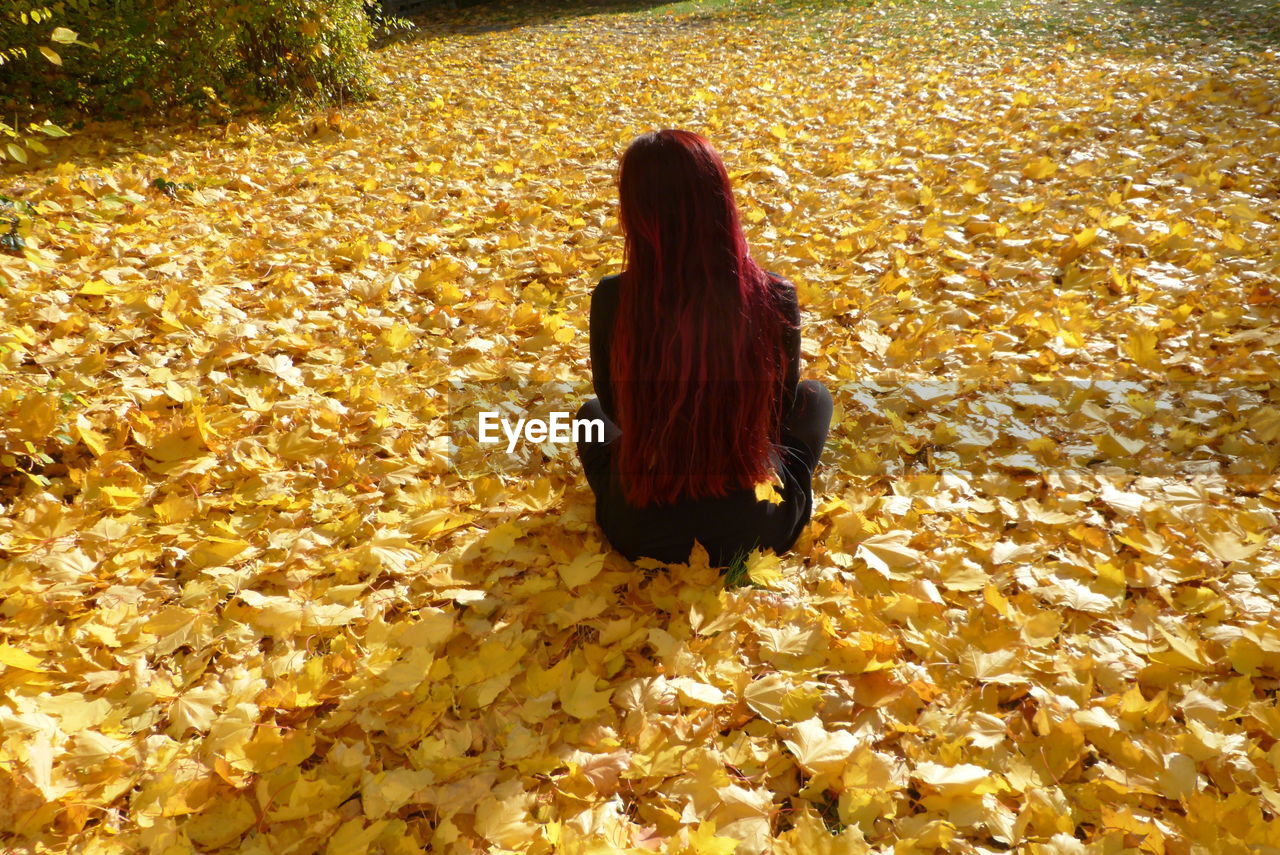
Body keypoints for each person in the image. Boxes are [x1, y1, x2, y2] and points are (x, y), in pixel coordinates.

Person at [575, 128, 833, 568]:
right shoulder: (773, 293)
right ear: (720, 200)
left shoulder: (615, 296)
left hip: (640, 529)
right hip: (757, 526)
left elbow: (616, 409)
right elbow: (778, 410)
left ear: (635, 210)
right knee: (816, 398)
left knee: (589, 417)